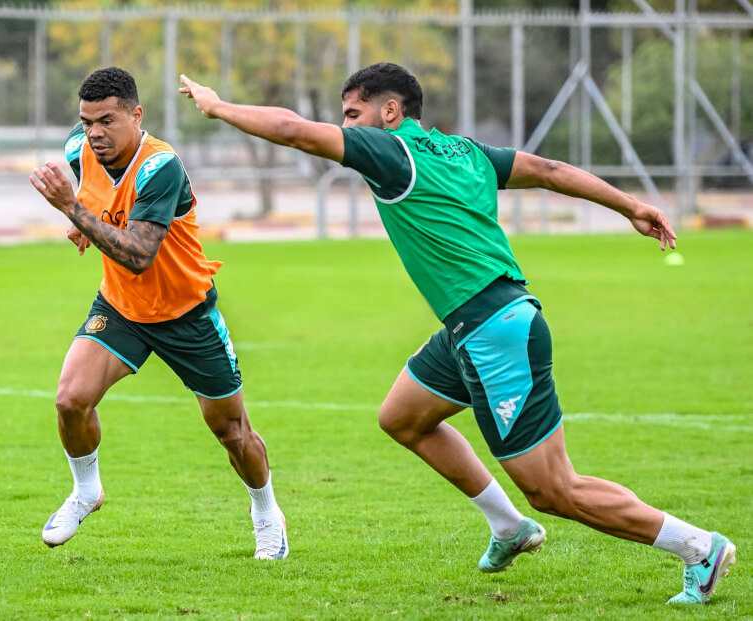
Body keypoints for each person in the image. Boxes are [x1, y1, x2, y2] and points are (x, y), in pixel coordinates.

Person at [178, 62, 735, 603]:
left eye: (354, 114)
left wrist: (219, 106)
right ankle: (506, 526)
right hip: (477, 323)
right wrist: (631, 205)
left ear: (389, 111)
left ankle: (697, 547)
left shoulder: (391, 151)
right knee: (403, 416)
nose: (346, 128)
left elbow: (296, 132)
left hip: (494, 329)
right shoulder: (466, 151)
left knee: (553, 489)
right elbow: (550, 171)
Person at [29, 66, 288, 560]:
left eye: (106, 121)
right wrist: (85, 220)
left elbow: (139, 253)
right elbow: (96, 196)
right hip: (122, 307)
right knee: (70, 399)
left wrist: (73, 212)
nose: (95, 133)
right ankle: (86, 492)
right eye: (87, 122)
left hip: (185, 313)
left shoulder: (160, 166)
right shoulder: (77, 150)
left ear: (136, 114)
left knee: (232, 432)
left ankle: (266, 514)